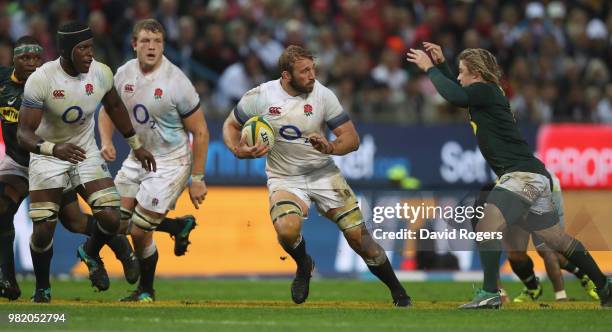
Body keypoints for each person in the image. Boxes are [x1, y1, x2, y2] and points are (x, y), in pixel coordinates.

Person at [407, 42, 611, 308]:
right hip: (532, 174)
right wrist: (443, 64)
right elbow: (458, 92)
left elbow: (455, 96)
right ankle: (605, 285)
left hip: (521, 176)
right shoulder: (487, 91)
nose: (458, 76)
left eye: (461, 71)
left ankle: (490, 292)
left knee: (486, 226)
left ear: (476, 74)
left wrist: (430, 68)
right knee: (556, 239)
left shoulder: (485, 90)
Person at [222, 45, 411, 307]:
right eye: (305, 71)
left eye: (313, 69)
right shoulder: (261, 96)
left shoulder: (323, 96)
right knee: (287, 230)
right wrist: (238, 150)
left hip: (323, 174)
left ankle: (399, 292)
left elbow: (352, 139)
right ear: (286, 76)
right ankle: (303, 264)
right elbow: (231, 125)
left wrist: (331, 146)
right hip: (284, 177)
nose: (312, 75)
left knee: (360, 240)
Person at [16, 22, 156, 303]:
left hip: (84, 151)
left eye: (91, 47)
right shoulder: (42, 79)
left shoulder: (101, 73)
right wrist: (53, 149)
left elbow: (115, 106)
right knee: (44, 231)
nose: (90, 54)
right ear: (67, 51)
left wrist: (136, 145)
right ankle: (42, 289)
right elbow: (23, 134)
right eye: (83, 48)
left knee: (111, 216)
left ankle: (89, 253)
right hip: (48, 155)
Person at [98, 19, 209, 302]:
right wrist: (107, 141)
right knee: (115, 223)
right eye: (145, 41)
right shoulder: (123, 74)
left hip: (171, 161)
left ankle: (146, 291)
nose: (151, 47)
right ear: (134, 44)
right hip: (138, 159)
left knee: (138, 229)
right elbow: (108, 109)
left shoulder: (177, 82)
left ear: (163, 46)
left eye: (157, 42)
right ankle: (176, 226)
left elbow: (200, 131)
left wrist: (197, 178)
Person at [473, 177, 598, 303]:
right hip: (523, 194)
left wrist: (561, 298)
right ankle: (533, 288)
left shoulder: (522, 195)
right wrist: (500, 292)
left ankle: (566, 290)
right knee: (516, 254)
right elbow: (489, 256)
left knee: (546, 248)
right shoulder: (481, 213)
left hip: (544, 193)